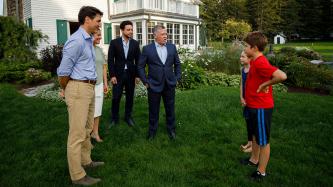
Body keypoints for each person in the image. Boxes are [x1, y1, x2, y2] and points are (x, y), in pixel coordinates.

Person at [57, 6, 104, 186]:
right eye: (98, 21)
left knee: (87, 127)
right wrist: (69, 88)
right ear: (87, 20)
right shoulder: (76, 41)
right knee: (76, 134)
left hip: (89, 88)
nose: (100, 25)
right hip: (78, 89)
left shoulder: (88, 40)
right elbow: (63, 73)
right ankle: (77, 175)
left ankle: (86, 161)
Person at [240, 31, 287, 181]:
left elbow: (281, 76)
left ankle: (261, 171)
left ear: (254, 48)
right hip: (253, 105)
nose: (244, 48)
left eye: (246, 46)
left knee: (263, 140)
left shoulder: (260, 62)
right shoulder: (254, 60)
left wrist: (265, 85)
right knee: (254, 135)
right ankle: (254, 160)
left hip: (261, 107)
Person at [137, 25, 181, 140]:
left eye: (166, 34)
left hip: (169, 84)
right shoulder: (147, 49)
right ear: (155, 35)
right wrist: (145, 81)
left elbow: (177, 64)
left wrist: (176, 78)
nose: (165, 36)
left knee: (170, 108)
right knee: (153, 110)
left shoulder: (172, 47)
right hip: (154, 85)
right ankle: (152, 132)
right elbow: (140, 66)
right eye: (163, 34)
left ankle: (171, 130)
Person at [108, 20, 141, 127]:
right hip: (118, 75)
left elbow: (138, 61)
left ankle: (128, 117)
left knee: (130, 97)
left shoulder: (135, 44)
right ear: (122, 30)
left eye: (131, 29)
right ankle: (114, 118)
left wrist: (137, 75)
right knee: (116, 97)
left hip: (131, 74)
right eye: (128, 29)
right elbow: (110, 60)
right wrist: (112, 75)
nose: (131, 31)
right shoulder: (114, 42)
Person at [91, 29, 108, 142]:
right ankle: (86, 135)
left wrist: (105, 84)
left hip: (99, 84)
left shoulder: (100, 50)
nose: (100, 37)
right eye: (98, 35)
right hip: (87, 85)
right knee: (86, 112)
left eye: (100, 35)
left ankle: (95, 132)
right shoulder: (84, 49)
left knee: (97, 110)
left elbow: (103, 67)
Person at [239, 51, 252, 153]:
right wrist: (242, 98)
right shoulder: (243, 69)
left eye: (243, 57)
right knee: (248, 121)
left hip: (251, 100)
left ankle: (253, 146)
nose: (240, 58)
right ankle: (249, 142)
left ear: (249, 58)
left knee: (253, 122)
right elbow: (241, 84)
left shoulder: (253, 70)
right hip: (245, 100)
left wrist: (248, 99)